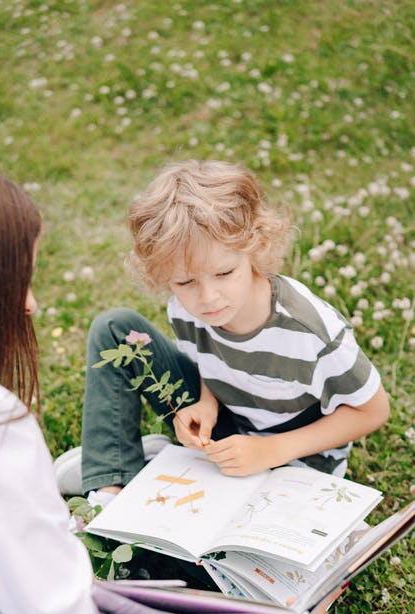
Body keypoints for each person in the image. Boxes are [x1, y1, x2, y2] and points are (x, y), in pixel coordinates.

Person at [0, 156, 337, 614]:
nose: (31, 304)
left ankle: (125, 475)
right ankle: (117, 485)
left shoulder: (304, 325)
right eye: (19, 280)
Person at [54, 159, 389, 506]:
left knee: (199, 559)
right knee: (114, 329)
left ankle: (152, 464)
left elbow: (374, 410)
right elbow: (212, 363)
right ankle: (108, 493)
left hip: (294, 462)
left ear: (255, 246)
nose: (208, 298)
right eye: (185, 281)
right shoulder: (185, 308)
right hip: (227, 437)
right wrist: (206, 404)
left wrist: (271, 451)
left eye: (224, 272)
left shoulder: (308, 331)